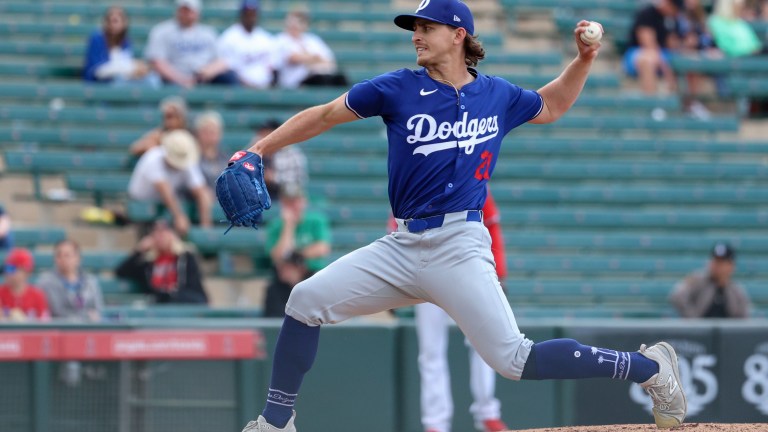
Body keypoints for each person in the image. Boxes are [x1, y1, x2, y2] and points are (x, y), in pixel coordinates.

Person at [227, 1, 687, 431]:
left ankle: (649, 368)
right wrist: (259, 148)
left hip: (459, 245)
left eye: (427, 28)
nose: (417, 36)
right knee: (304, 302)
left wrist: (584, 60)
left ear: (458, 35)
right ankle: (275, 421)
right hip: (402, 245)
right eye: (415, 29)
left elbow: (550, 105)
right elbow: (326, 115)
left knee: (514, 360)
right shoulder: (398, 87)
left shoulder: (496, 95)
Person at [412, 188, 509, 432]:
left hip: (468, 270)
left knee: (484, 343)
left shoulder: (471, 179)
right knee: (431, 351)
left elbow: (492, 226)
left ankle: (487, 413)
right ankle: (435, 423)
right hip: (425, 270)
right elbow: (395, 231)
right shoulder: (416, 181)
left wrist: (500, 273)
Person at [262, 183, 331, 318]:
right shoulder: (277, 226)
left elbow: (322, 248)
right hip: (284, 282)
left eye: (296, 201)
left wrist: (296, 258)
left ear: (303, 201)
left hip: (311, 277)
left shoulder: (316, 221)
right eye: (289, 202)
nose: (293, 206)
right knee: (274, 293)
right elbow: (277, 255)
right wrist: (288, 226)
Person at [623, 0, 700, 121]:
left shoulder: (671, 19)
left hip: (663, 53)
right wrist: (668, 72)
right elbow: (649, 45)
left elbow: (672, 44)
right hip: (637, 52)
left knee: (693, 60)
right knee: (648, 60)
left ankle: (690, 105)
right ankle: (653, 106)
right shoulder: (647, 13)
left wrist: (685, 43)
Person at [128, 129, 213, 236]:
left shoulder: (187, 162)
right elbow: (165, 191)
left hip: (164, 207)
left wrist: (205, 226)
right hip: (142, 204)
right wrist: (179, 216)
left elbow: (201, 191)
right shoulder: (153, 159)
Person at [144, 0, 237, 88]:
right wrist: (181, 80)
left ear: (197, 12)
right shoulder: (162, 31)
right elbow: (157, 62)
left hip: (203, 78)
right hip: (171, 80)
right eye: (182, 10)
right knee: (152, 80)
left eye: (189, 10)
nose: (185, 14)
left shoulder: (208, 33)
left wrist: (207, 72)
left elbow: (222, 61)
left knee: (229, 77)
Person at [115, 220, 208, 304]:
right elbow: (121, 272)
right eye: (156, 233)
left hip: (181, 306)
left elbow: (196, 292)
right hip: (158, 308)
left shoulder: (186, 258)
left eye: (163, 232)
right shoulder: (148, 263)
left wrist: (170, 294)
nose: (159, 237)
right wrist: (139, 250)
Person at [669, 242, 751, 318]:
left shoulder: (736, 291)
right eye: (715, 261)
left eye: (721, 262)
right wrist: (693, 320)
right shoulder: (698, 281)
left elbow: (743, 316)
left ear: (731, 266)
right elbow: (677, 296)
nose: (716, 265)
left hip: (728, 333)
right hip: (700, 332)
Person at [274, 7, 348, 89]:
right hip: (294, 82)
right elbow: (293, 58)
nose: (295, 25)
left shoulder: (313, 40)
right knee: (321, 80)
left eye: (300, 21)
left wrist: (309, 59)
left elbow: (329, 61)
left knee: (340, 79)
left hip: (315, 77)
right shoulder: (281, 39)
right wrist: (314, 58)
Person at [83, 6, 156, 86]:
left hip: (121, 80)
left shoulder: (126, 41)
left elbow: (124, 64)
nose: (113, 25)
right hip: (101, 83)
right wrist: (131, 68)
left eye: (116, 21)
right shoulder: (97, 39)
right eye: (110, 21)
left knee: (152, 79)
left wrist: (136, 69)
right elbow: (98, 71)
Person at [36, 239, 104, 322]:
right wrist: (85, 317)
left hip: (88, 330)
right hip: (59, 330)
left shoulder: (90, 281)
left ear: (78, 258)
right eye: (59, 256)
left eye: (67, 255)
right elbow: (57, 311)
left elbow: (97, 309)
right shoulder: (46, 282)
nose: (63, 259)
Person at [216, 0, 278, 89]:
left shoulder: (265, 38)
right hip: (238, 89)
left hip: (265, 90)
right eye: (247, 13)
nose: (250, 16)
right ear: (241, 13)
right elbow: (225, 67)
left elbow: (273, 67)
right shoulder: (229, 37)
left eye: (253, 13)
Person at [254, 119, 309, 202]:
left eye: (267, 135)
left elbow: (298, 182)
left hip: (283, 199)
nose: (263, 138)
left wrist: (273, 178)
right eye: (262, 135)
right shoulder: (254, 152)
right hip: (257, 198)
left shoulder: (292, 154)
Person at [0, 248, 49, 321]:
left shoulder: (37, 295)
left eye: (11, 268)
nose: (8, 272)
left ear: (26, 271)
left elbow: (45, 326)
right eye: (6, 268)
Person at [195, 110, 229, 188]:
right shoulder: (193, 157)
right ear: (198, 133)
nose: (210, 135)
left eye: (214, 131)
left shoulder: (225, 156)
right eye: (206, 132)